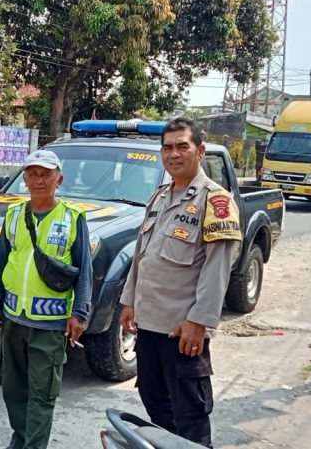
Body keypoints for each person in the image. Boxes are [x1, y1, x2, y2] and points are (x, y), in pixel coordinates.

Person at [118, 117, 243, 447]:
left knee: (190, 415)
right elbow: (142, 256)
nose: (174, 154)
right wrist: (129, 301)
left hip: (182, 331)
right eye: (167, 147)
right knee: (156, 405)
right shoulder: (159, 197)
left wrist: (199, 321)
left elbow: (218, 268)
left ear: (199, 151)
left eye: (182, 146)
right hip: (149, 325)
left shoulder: (215, 202)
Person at [0, 149, 93, 449]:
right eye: (32, 174)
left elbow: (85, 270)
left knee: (42, 396)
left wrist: (80, 313)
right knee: (13, 391)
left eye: (46, 174)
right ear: (25, 179)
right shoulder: (14, 214)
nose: (39, 180)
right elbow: (1, 263)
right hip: (13, 320)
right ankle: (20, 441)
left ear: (59, 179)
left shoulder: (72, 218)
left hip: (50, 325)